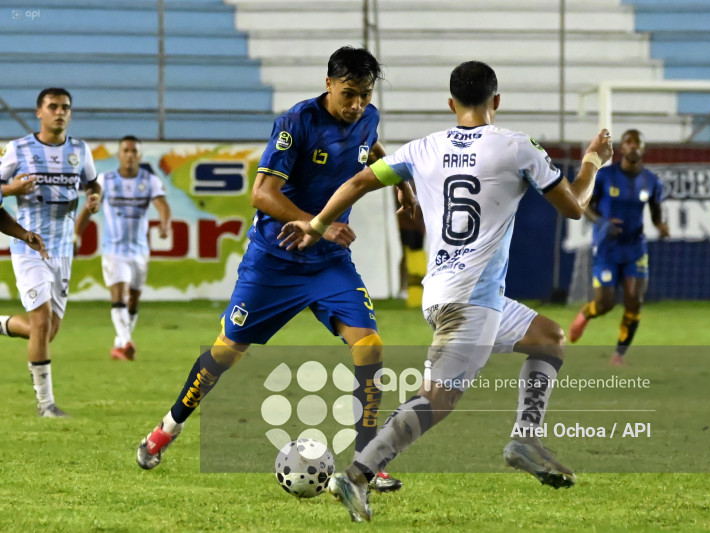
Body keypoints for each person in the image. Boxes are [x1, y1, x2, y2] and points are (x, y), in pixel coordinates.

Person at [278, 60, 614, 522]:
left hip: (451, 294)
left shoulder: (424, 148)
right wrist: (595, 159)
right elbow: (575, 206)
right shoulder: (517, 147)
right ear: (496, 101)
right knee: (438, 398)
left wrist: (316, 225)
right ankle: (357, 474)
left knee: (549, 339)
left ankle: (525, 438)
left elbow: (357, 181)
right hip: (470, 301)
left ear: (451, 103)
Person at [135, 46, 412, 493]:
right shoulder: (296, 122)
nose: (356, 104)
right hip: (274, 259)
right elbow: (262, 194)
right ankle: (167, 427)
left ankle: (368, 460)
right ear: (328, 84)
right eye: (348, 94)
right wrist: (316, 225)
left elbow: (370, 144)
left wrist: (403, 181)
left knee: (370, 346)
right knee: (225, 353)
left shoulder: (367, 116)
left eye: (364, 94)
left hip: (327, 262)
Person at [0, 87, 100, 417]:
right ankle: (46, 406)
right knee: (41, 324)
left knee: (46, 331)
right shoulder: (18, 150)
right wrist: (11, 189)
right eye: (53, 106)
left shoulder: (80, 151)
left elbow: (92, 183)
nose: (60, 112)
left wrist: (94, 196)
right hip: (29, 247)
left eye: (65, 107)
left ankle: (2, 323)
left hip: (62, 250)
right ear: (39, 112)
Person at [568, 129, 668, 366]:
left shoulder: (651, 182)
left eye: (638, 144)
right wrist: (602, 222)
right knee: (605, 304)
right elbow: (584, 207)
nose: (633, 147)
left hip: (635, 249)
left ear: (643, 149)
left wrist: (661, 226)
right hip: (607, 249)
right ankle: (586, 314)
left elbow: (656, 214)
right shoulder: (605, 177)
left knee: (635, 299)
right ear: (622, 148)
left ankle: (618, 354)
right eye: (629, 143)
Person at [74, 135, 171, 361]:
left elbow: (162, 205)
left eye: (133, 151)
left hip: (139, 251)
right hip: (113, 250)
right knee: (119, 294)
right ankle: (127, 341)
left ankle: (119, 344)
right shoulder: (105, 181)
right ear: (119, 155)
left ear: (140, 155)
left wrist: (165, 224)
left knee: (133, 300)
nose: (129, 155)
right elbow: (88, 209)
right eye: (125, 150)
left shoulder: (150, 181)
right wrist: (77, 235)